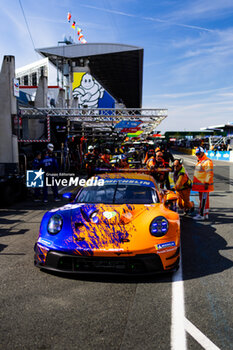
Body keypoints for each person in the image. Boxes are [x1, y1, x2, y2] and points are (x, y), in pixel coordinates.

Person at [192, 147, 214, 220]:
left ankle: (202, 215)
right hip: (200, 186)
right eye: (196, 154)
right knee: (203, 200)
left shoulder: (207, 161)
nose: (197, 155)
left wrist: (207, 183)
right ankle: (205, 214)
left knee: (204, 200)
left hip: (204, 185)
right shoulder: (201, 161)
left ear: (202, 153)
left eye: (198, 154)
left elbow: (209, 173)